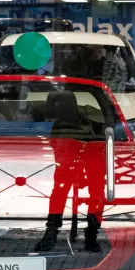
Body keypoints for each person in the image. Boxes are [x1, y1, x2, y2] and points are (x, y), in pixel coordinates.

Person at [35, 90, 105, 253]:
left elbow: (100, 141)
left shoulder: (92, 118)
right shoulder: (60, 124)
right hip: (78, 153)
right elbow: (56, 148)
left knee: (95, 190)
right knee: (60, 188)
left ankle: (91, 235)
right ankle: (52, 232)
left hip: (94, 152)